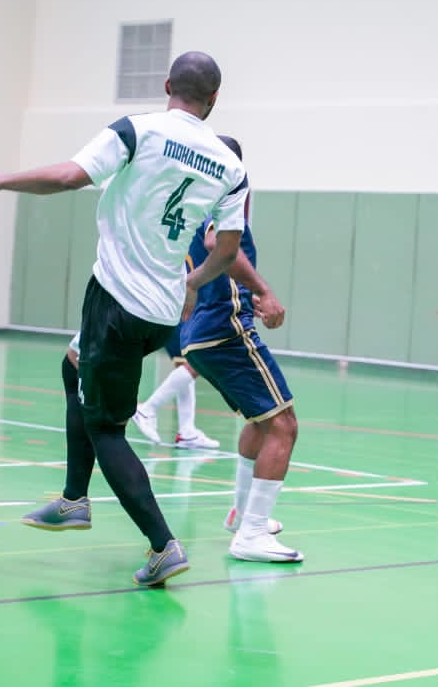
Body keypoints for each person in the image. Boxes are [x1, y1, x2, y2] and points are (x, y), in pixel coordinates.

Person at [0, 51, 267, 587]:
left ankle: (163, 545)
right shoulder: (232, 165)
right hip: (164, 308)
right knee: (72, 366)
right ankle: (73, 498)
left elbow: (68, 176)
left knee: (106, 427)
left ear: (167, 85)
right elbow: (226, 250)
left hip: (116, 301)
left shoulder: (138, 130)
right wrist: (192, 284)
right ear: (214, 99)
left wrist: (1, 179)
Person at [182, 136, 302, 563]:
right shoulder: (224, 195)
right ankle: (252, 534)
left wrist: (243, 293)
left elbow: (214, 263)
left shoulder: (191, 197)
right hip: (225, 330)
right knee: (284, 425)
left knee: (261, 420)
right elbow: (218, 246)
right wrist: (264, 291)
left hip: (201, 331)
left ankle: (241, 514)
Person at [131, 327, 220, 450]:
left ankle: (187, 432)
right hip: (178, 319)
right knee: (197, 362)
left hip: (180, 321)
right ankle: (147, 410)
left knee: (188, 366)